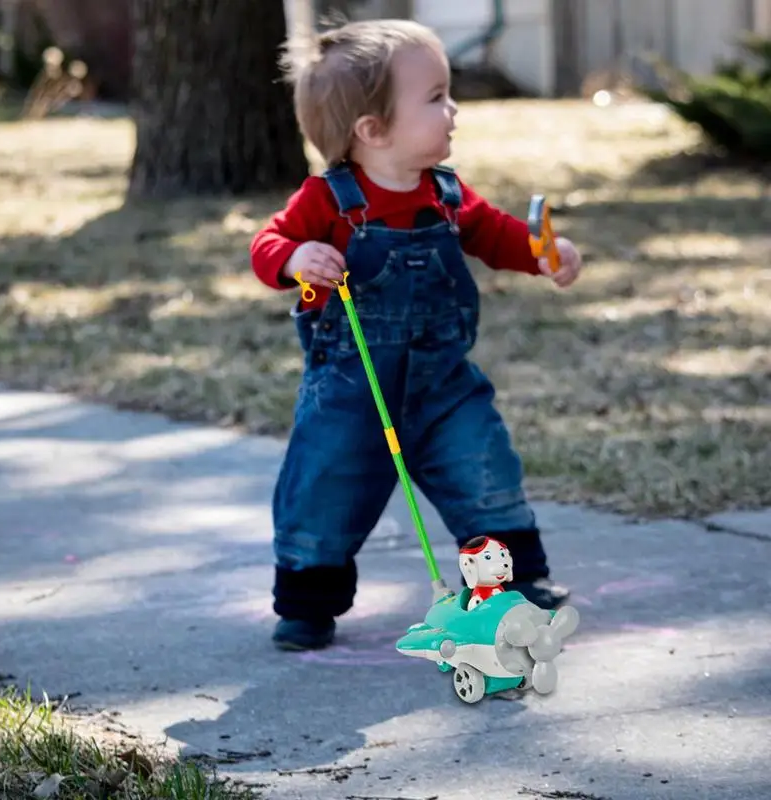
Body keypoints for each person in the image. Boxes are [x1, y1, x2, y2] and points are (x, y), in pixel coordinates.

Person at [250, 18, 583, 651]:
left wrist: (543, 254)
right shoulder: (328, 200)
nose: (453, 109)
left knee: (484, 469)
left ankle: (517, 583)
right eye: (435, 98)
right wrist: (295, 260)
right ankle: (307, 602)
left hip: (443, 383)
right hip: (352, 391)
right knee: (325, 485)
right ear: (372, 131)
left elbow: (495, 234)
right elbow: (268, 243)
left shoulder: (447, 194)